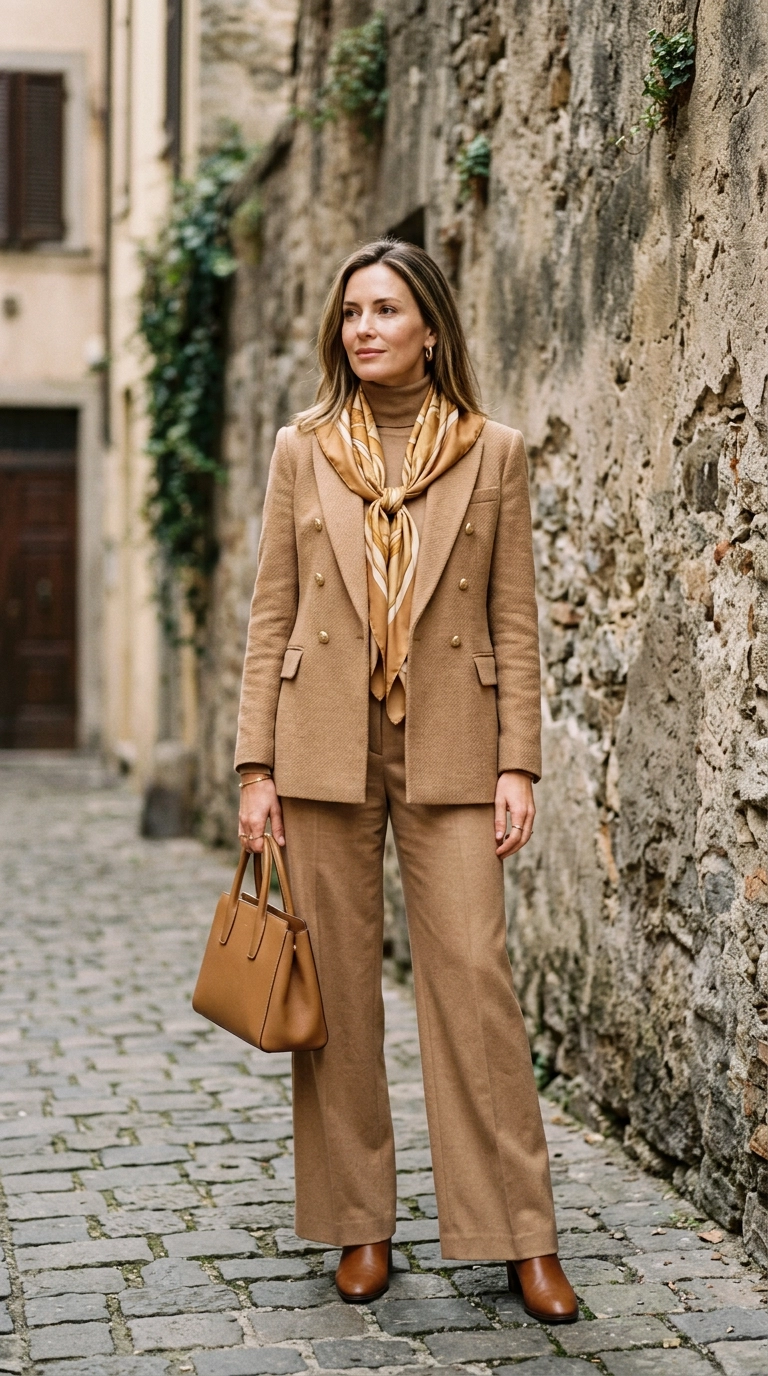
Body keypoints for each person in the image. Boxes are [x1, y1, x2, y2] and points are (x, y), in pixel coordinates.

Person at [234, 238, 578, 1323]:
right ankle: (361, 1223)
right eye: (351, 313)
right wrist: (256, 766)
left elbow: (512, 620)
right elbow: (270, 615)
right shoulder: (306, 448)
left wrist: (518, 757)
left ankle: (521, 1234)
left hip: (454, 741)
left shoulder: (495, 452)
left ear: (432, 326)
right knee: (332, 992)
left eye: (386, 310)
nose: (364, 328)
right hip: (321, 740)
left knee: (475, 981)